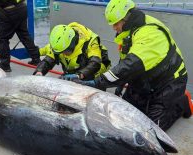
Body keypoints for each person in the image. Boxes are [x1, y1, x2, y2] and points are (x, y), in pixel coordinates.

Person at [74, 0, 191, 131]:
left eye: (116, 23)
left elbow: (130, 65)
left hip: (168, 83)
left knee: (150, 131)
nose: (114, 28)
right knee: (122, 116)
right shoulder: (128, 32)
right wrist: (119, 84)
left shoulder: (151, 34)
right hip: (146, 79)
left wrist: (98, 82)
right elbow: (124, 60)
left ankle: (181, 102)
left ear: (127, 18)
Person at [33, 22, 111, 83]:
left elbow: (95, 63)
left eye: (64, 51)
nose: (62, 54)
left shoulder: (90, 41)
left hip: (95, 72)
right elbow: (49, 60)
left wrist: (79, 75)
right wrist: (39, 71)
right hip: (74, 71)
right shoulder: (59, 42)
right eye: (61, 52)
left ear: (71, 44)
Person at [0, 0, 41, 72]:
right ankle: (36, 59)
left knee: (2, 38)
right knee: (24, 35)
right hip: (22, 7)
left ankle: (4, 65)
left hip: (10, 11)